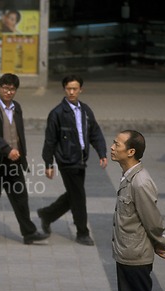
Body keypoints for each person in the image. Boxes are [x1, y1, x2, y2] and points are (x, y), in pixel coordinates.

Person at [109, 129, 165, 291]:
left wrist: (161, 244)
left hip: (135, 257)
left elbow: (153, 220)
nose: (112, 147)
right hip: (126, 254)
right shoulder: (128, 176)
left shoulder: (140, 182)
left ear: (131, 151)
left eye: (117, 144)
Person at [0, 73, 48, 244]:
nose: (8, 92)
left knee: (20, 197)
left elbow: (18, 132)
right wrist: (7, 149)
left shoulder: (17, 107)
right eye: (5, 88)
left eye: (12, 89)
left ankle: (29, 232)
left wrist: (21, 153)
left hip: (14, 162)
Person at [38, 74, 107, 246]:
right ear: (64, 90)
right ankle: (82, 232)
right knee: (79, 196)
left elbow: (95, 133)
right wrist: (48, 164)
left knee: (74, 194)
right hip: (66, 160)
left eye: (75, 89)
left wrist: (102, 153)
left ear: (80, 90)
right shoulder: (57, 113)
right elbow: (50, 140)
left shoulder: (85, 110)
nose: (71, 92)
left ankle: (47, 214)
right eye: (68, 89)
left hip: (81, 159)